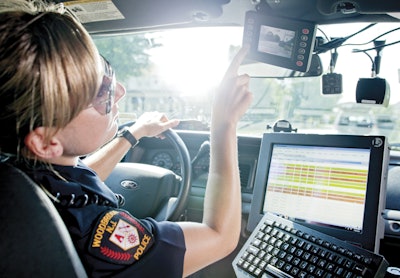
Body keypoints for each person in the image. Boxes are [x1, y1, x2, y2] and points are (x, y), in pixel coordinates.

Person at [0, 0, 253, 277]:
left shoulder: (20, 173)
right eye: (101, 94)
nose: (119, 91)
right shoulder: (97, 236)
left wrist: (132, 135)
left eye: (106, 73)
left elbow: (75, 178)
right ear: (46, 142)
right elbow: (219, 235)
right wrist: (224, 123)